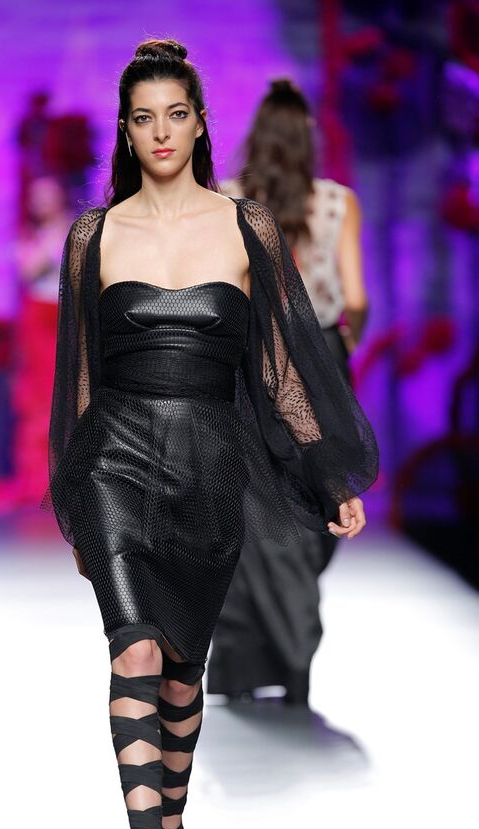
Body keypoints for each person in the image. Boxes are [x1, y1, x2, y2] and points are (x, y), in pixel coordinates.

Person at [44, 40, 378, 829]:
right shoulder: (94, 236)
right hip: (115, 460)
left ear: (198, 124)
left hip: (210, 464)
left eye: (175, 114)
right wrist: (74, 492)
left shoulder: (246, 227)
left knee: (182, 673)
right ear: (127, 132)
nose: (160, 132)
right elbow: (79, 376)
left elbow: (279, 369)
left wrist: (324, 472)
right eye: (142, 117)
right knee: (134, 648)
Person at [209, 79, 369, 705]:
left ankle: (249, 663)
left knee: (253, 507)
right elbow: (355, 297)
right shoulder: (337, 203)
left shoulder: (227, 201)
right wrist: (347, 344)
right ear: (307, 139)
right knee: (320, 499)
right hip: (323, 356)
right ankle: (291, 648)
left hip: (251, 363)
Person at [14, 176, 73, 501]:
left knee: (71, 388)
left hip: (68, 312)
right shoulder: (30, 236)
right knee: (42, 394)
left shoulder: (78, 229)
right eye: (36, 197)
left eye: (47, 195)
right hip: (39, 317)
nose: (42, 203)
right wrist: (53, 240)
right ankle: (39, 478)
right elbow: (28, 270)